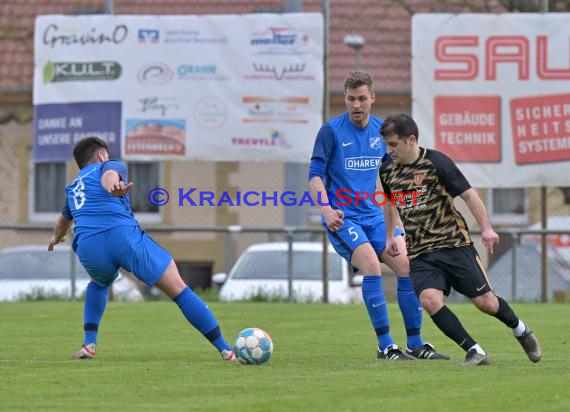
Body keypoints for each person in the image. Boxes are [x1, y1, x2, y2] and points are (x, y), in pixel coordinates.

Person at [48, 137, 236, 362]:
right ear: (101, 156)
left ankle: (89, 343)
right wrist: (113, 188)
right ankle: (226, 350)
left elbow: (62, 222)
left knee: (99, 284)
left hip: (88, 247)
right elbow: (109, 178)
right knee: (179, 290)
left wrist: (55, 238)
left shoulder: (74, 187)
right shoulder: (110, 165)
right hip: (121, 235)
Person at [378, 113, 542, 365]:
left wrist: (486, 228)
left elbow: (469, 195)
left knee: (486, 303)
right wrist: (390, 235)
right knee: (429, 299)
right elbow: (390, 202)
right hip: (420, 252)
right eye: (386, 145)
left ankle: (520, 329)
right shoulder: (387, 168)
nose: (389, 151)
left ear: (411, 140)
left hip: (453, 244)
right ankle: (474, 350)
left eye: (393, 144)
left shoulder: (436, 162)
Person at [308, 71, 449, 360]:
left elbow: (392, 180)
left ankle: (415, 344)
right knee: (372, 266)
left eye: (362, 98)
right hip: (344, 218)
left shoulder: (382, 132)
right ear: (345, 99)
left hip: (376, 217)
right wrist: (326, 209)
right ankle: (386, 345)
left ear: (372, 97)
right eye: (350, 99)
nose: (356, 105)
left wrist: (397, 222)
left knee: (408, 267)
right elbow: (315, 176)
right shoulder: (331, 131)